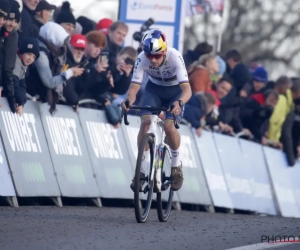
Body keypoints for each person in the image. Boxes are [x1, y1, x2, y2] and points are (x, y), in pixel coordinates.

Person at [121, 29, 192, 192]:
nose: (152, 60)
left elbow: (187, 90)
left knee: (168, 127)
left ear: (164, 51)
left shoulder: (175, 57)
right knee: (145, 122)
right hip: (155, 90)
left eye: (157, 56)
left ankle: (176, 165)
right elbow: (133, 90)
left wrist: (179, 103)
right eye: (149, 56)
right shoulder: (141, 58)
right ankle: (142, 170)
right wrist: (128, 101)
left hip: (176, 92)